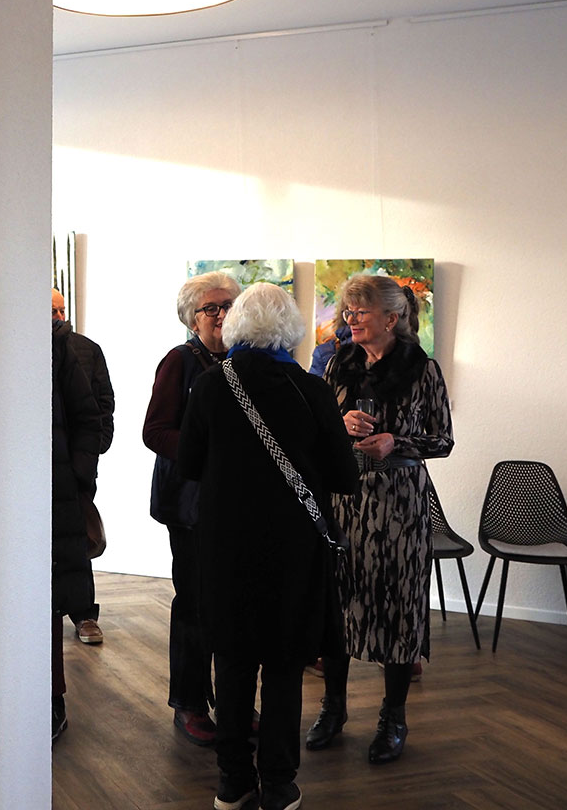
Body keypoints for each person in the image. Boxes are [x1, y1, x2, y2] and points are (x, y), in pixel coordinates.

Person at [178, 283, 357, 810]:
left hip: (225, 549)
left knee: (232, 663)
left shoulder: (211, 386)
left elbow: (188, 465)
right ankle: (278, 783)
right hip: (293, 553)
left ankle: (232, 783)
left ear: (236, 325)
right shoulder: (311, 391)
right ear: (290, 330)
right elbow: (344, 477)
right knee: (283, 667)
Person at [305, 274, 454, 765]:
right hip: (345, 499)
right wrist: (338, 422)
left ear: (391, 318)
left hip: (399, 504)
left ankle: (393, 717)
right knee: (340, 602)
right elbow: (315, 429)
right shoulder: (338, 363)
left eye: (360, 311)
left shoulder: (423, 369)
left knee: (397, 604)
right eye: (347, 311)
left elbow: (444, 440)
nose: (350, 319)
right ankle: (334, 708)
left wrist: (397, 441)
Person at [142, 270, 241, 746]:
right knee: (195, 606)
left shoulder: (243, 362)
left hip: (235, 504)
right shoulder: (179, 361)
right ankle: (190, 703)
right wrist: (210, 454)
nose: (221, 315)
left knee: (232, 606)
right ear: (192, 318)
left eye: (228, 306)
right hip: (190, 504)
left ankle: (233, 703)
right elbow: (155, 431)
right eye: (211, 308)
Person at [53, 287, 115, 646]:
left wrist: (86, 461)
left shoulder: (86, 348)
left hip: (75, 466)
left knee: (76, 541)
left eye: (61, 310)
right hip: (48, 463)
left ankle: (84, 614)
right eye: (52, 311)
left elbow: (101, 405)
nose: (59, 317)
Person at [52, 313, 102, 742]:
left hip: (55, 491)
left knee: (50, 600)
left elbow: (91, 416)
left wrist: (77, 474)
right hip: (7, 494)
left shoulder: (60, 349)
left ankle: (52, 701)